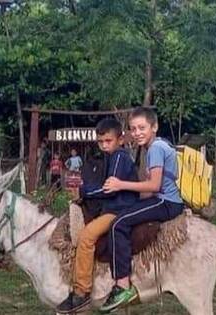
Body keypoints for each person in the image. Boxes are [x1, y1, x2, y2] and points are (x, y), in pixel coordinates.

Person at [99, 107, 184, 313]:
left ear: (154, 127)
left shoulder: (155, 149)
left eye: (142, 128)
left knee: (118, 223)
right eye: (133, 128)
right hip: (165, 198)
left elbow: (154, 186)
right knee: (128, 212)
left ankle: (123, 285)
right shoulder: (160, 145)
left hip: (165, 202)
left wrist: (121, 185)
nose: (137, 133)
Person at [56, 119, 139, 314]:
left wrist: (83, 192)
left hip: (119, 209)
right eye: (100, 141)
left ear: (120, 139)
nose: (104, 145)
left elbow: (109, 189)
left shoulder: (119, 157)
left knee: (86, 236)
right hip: (113, 206)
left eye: (108, 141)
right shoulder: (111, 157)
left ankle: (81, 291)